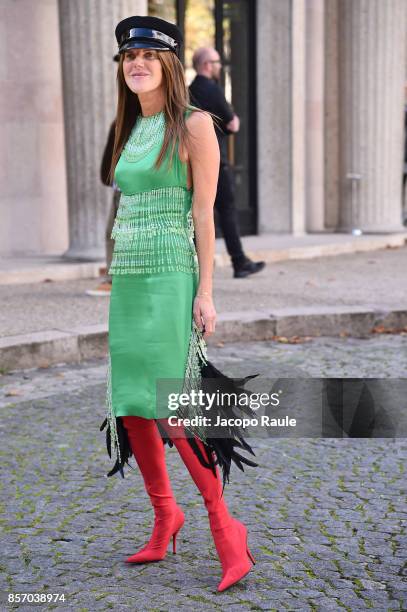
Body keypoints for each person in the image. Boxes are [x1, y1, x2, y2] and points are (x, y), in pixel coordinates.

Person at [102, 15, 256, 592]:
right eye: (127, 57)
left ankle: (224, 524)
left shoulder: (194, 125)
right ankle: (166, 515)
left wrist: (207, 294)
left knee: (171, 404)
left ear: (168, 64)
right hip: (130, 282)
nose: (135, 63)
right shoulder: (130, 126)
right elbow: (127, 209)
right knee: (132, 401)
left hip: (170, 280)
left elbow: (204, 212)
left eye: (146, 55)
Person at [189, 47, 265, 278]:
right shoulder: (212, 89)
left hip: (192, 160)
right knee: (227, 210)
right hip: (215, 160)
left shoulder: (189, 91)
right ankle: (239, 262)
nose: (220, 66)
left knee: (196, 212)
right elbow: (232, 124)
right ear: (206, 65)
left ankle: (192, 266)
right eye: (217, 62)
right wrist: (234, 121)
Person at [86, 55, 121, 297]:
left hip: (130, 184)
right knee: (111, 231)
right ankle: (113, 276)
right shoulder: (118, 119)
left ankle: (115, 278)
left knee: (117, 231)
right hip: (120, 183)